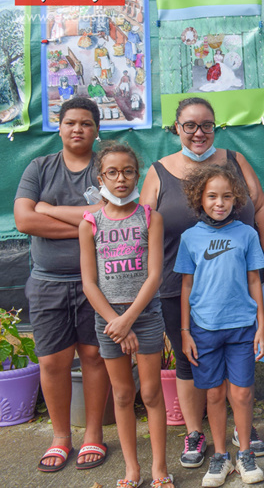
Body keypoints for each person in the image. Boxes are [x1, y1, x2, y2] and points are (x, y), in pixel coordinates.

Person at [139, 97, 264, 468]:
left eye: (207, 125)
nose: (199, 133)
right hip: (177, 285)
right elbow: (142, 225)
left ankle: (241, 435)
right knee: (190, 361)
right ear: (176, 128)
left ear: (216, 127)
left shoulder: (235, 161)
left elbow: (260, 206)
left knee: (239, 368)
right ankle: (196, 433)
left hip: (237, 281)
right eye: (190, 126)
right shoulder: (158, 172)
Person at [14, 97, 110, 473]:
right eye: (70, 122)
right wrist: (86, 225)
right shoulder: (39, 167)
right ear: (59, 126)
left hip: (98, 285)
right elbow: (23, 220)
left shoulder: (106, 168)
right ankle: (60, 438)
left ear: (97, 129)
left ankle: (92, 435)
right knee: (52, 361)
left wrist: (49, 209)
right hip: (47, 283)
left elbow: (108, 214)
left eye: (86, 123)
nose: (77, 129)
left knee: (93, 357)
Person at [78, 142, 173, 488]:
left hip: (144, 317)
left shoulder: (151, 217)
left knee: (149, 393)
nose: (121, 179)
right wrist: (114, 322)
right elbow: (89, 282)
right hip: (108, 320)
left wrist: (128, 319)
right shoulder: (90, 222)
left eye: (128, 171)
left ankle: (159, 468)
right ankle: (132, 469)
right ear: (100, 177)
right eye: (112, 172)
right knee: (121, 394)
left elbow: (154, 276)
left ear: (138, 174)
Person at [175, 165, 264, 487]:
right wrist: (185, 332)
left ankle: (244, 454)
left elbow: (254, 279)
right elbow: (186, 287)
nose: (220, 202)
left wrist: (262, 327)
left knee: (241, 395)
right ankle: (220, 457)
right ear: (199, 199)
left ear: (236, 199)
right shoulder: (190, 238)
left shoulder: (247, 234)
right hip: (203, 330)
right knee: (213, 395)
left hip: (242, 327)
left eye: (227, 196)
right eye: (212, 196)